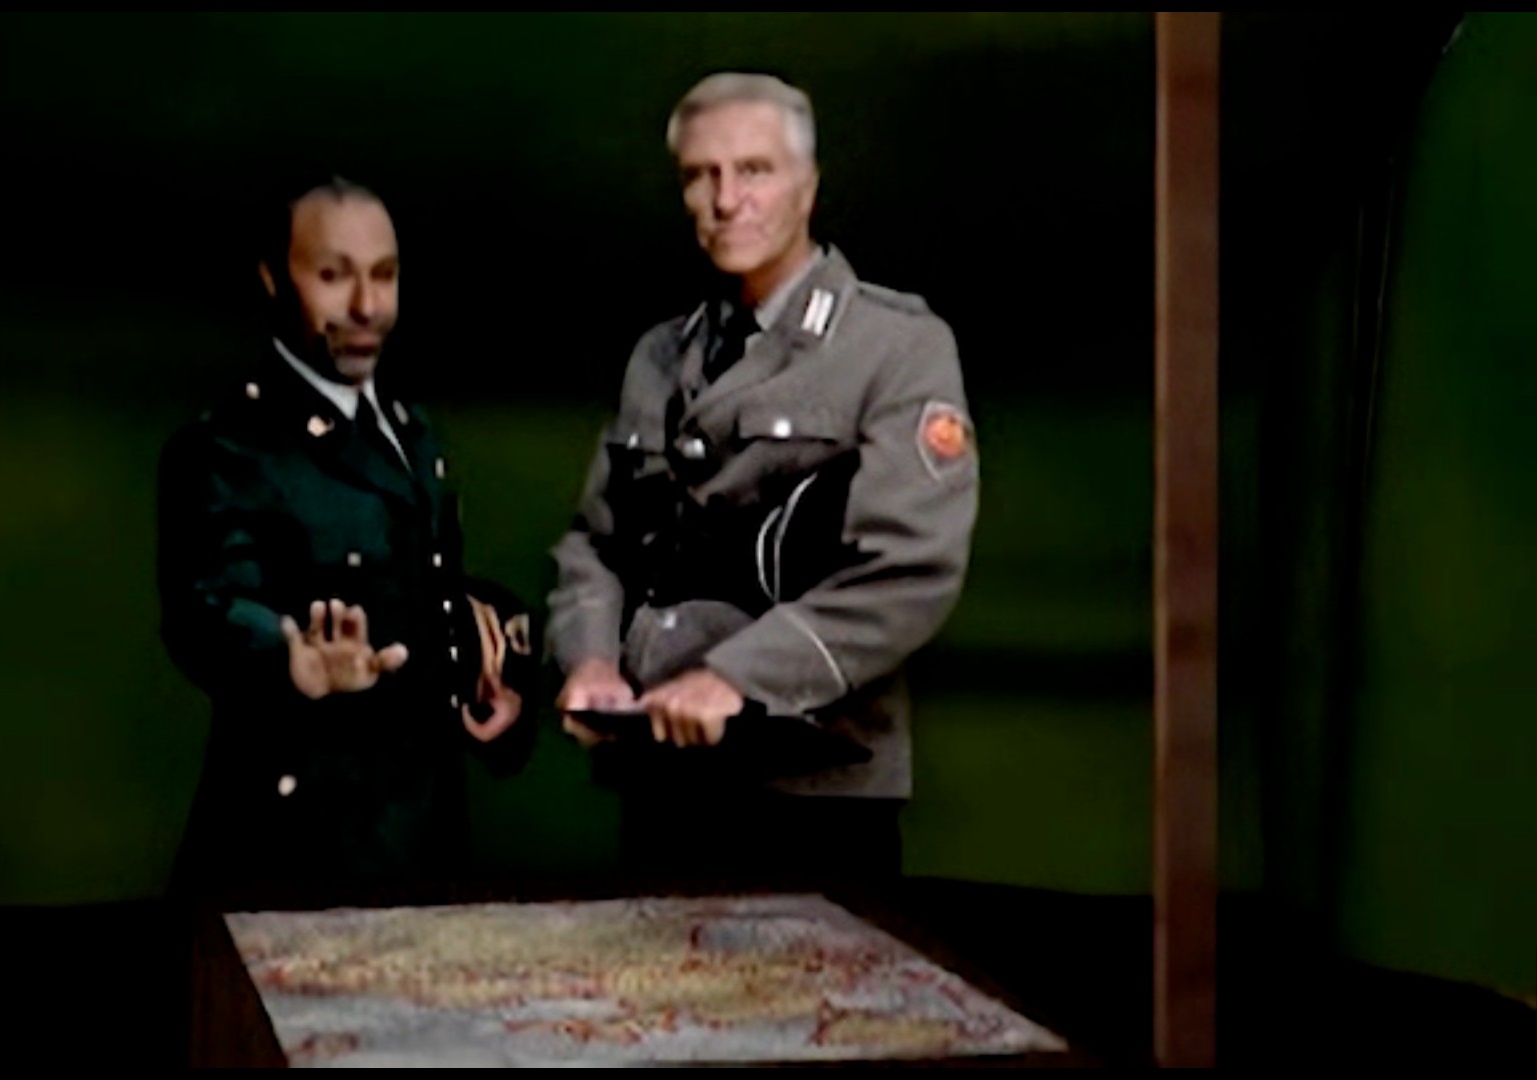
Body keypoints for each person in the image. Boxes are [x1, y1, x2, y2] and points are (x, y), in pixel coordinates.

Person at [548, 73, 979, 896]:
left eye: (754, 171)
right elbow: (597, 543)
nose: (725, 200)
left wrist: (738, 677)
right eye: (700, 176)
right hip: (661, 789)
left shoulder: (895, 348)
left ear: (807, 186)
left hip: (813, 802)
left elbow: (909, 570)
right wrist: (592, 659)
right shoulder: (659, 357)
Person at [157, 173, 536, 906]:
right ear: (273, 278)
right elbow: (206, 609)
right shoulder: (229, 449)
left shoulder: (413, 432)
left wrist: (484, 665)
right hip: (294, 856)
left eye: (383, 276)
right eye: (333, 276)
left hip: (423, 844)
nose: (366, 306)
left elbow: (419, 587)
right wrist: (290, 658)